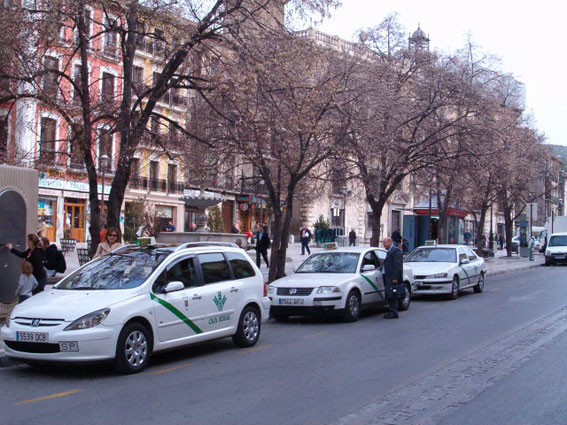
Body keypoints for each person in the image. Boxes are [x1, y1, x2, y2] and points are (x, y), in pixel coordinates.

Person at [382, 237, 404, 319]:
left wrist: (395, 277)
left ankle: (393, 312)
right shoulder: (390, 251)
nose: (383, 245)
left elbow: (397, 265)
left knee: (392, 294)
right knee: (390, 294)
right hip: (388, 276)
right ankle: (391, 311)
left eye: (385, 243)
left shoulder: (396, 250)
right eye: (383, 243)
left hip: (392, 277)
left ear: (390, 242)